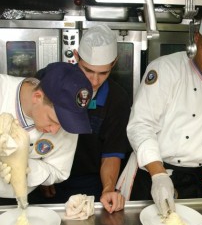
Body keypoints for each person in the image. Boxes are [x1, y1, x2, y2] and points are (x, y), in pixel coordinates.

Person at [126, 6, 202, 216]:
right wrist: (159, 175)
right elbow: (140, 125)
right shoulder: (165, 69)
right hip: (155, 173)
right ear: (197, 39)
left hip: (197, 181)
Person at [34, 24, 131, 213]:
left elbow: (111, 153)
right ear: (76, 57)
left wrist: (108, 189)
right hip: (45, 174)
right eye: (88, 70)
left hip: (89, 181)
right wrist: (41, 173)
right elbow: (33, 128)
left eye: (103, 73)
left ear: (114, 63)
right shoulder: (49, 80)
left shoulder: (117, 98)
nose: (94, 81)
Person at [0, 62, 93, 202]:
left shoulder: (68, 124)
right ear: (37, 97)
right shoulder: (3, 90)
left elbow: (59, 171)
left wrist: (26, 167)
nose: (55, 131)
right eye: (52, 120)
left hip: (26, 198)